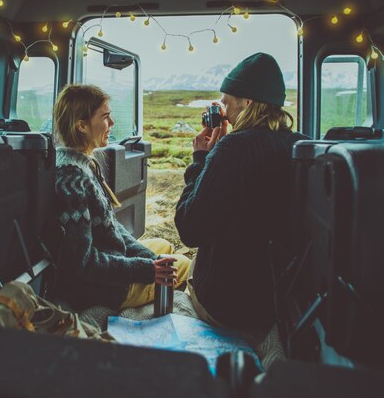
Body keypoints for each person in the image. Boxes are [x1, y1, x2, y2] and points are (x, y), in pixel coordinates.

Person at [174, 52, 309, 330]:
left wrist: (201, 159)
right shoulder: (301, 145)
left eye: (226, 102)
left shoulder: (232, 149)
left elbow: (189, 229)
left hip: (229, 305)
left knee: (182, 261)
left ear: (247, 102)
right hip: (279, 301)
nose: (223, 110)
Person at [53, 84, 190, 311]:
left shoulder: (79, 163)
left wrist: (151, 260)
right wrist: (148, 270)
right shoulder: (71, 180)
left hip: (111, 256)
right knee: (182, 266)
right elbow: (82, 264)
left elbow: (111, 227)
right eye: (105, 117)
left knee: (163, 247)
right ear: (82, 125)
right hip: (101, 287)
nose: (112, 123)